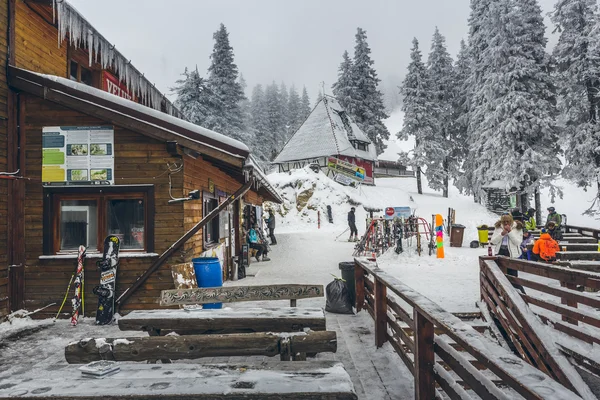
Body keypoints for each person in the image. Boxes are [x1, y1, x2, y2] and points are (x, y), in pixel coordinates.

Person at [491, 214, 524, 291]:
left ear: (511, 221)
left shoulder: (517, 228)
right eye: (504, 222)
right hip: (500, 251)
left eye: (507, 221)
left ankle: (518, 293)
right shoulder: (498, 227)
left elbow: (517, 242)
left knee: (513, 276)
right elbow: (493, 241)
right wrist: (502, 234)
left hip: (512, 254)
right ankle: (500, 292)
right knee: (499, 275)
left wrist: (510, 232)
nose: (506, 223)